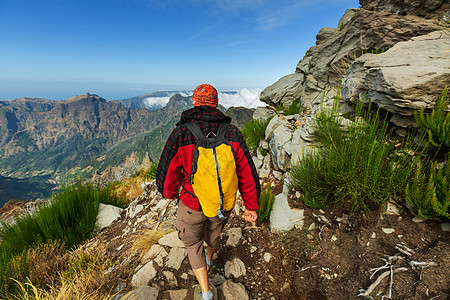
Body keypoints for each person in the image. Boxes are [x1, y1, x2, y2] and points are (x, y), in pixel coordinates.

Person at [156, 84, 260, 300]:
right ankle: (210, 261)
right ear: (216, 103)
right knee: (213, 233)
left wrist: (169, 193)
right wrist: (251, 205)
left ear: (194, 102)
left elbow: (167, 173)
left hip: (192, 204)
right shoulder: (232, 133)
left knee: (193, 244)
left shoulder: (181, 133)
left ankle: (205, 292)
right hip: (222, 202)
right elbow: (247, 173)